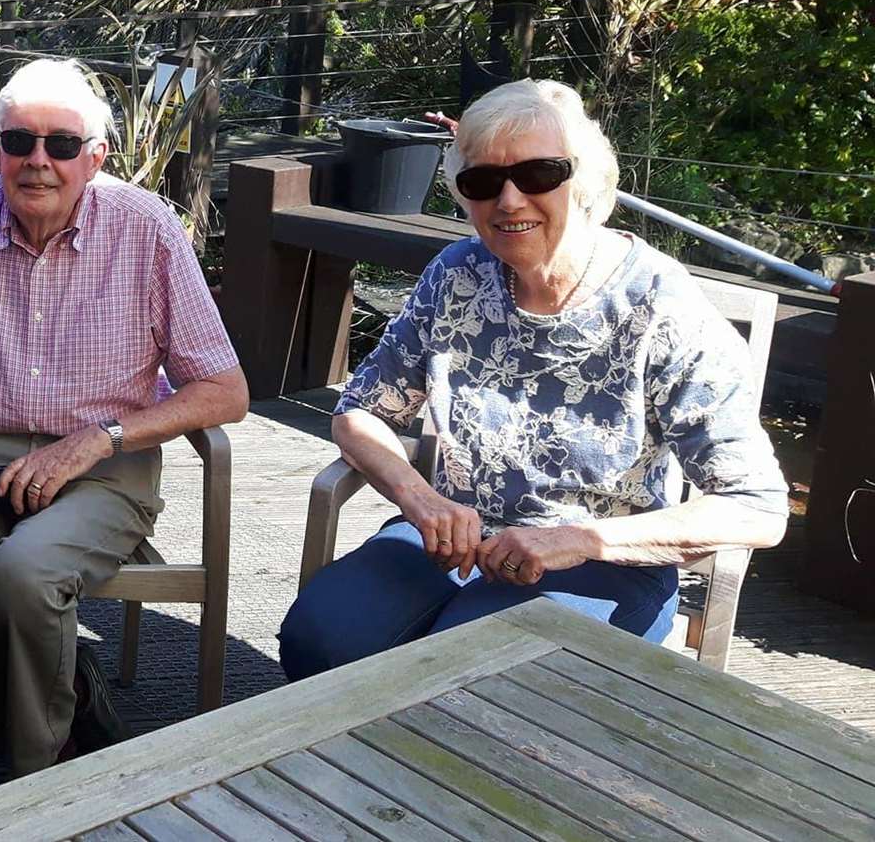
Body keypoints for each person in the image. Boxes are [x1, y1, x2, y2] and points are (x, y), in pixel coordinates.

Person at [278, 79, 789, 679]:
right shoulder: (457, 275)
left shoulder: (659, 306)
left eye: (540, 174)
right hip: (452, 542)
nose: (510, 200)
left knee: (470, 674)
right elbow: (361, 410)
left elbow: (756, 507)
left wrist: (577, 539)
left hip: (604, 562)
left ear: (587, 181)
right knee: (321, 639)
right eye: (484, 182)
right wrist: (421, 500)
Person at [0, 58, 250, 775]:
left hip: (104, 462)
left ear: (95, 157)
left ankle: (44, 782)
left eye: (62, 145)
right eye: (20, 141)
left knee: (24, 576)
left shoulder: (148, 230)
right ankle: (68, 711)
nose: (39, 161)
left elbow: (224, 391)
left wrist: (100, 440)